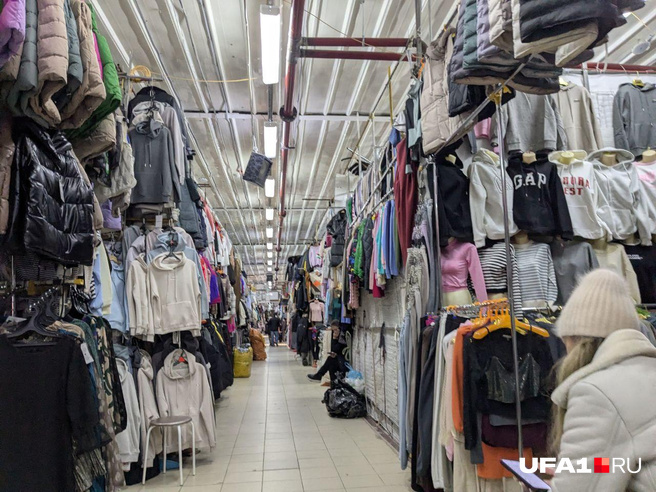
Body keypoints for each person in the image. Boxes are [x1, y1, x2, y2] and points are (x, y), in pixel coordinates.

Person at [548, 269, 656, 491]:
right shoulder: (646, 371)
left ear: (574, 339)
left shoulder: (596, 393)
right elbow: (624, 462)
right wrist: (574, 471)